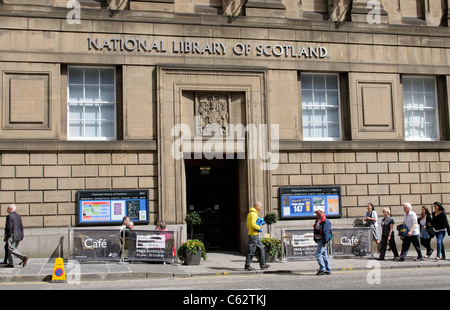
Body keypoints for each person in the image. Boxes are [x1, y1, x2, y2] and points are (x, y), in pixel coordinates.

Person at [244, 202, 269, 271]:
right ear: (257, 206)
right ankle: (247, 265)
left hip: (254, 235)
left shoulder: (251, 213)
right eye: (260, 206)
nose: (261, 208)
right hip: (253, 235)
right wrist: (259, 227)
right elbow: (252, 224)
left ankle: (262, 264)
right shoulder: (253, 214)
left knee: (262, 248)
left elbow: (249, 224)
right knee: (251, 250)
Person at [313, 205, 332, 275]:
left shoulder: (326, 221)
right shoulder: (319, 220)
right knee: (324, 255)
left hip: (322, 240)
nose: (316, 214)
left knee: (318, 254)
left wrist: (324, 242)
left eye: (317, 212)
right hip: (319, 240)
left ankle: (322, 269)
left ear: (320, 212)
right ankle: (328, 269)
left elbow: (326, 233)